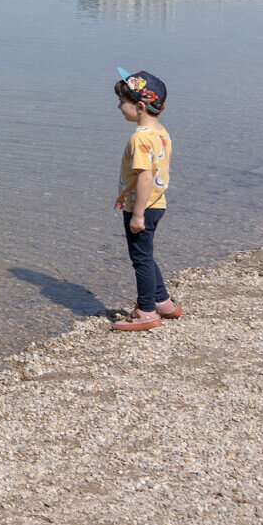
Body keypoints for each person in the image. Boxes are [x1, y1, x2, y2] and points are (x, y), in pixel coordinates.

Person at [110, 67, 181, 332]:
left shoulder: (140, 138)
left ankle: (146, 312)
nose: (119, 107)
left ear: (140, 106)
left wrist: (137, 213)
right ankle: (162, 301)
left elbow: (144, 177)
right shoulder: (161, 132)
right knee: (146, 254)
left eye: (122, 102)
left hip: (141, 206)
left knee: (139, 259)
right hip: (157, 203)